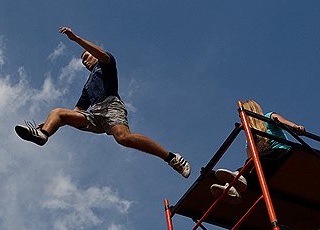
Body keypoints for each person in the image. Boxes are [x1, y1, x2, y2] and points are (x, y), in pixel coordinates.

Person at [14, 27, 191, 178]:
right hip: (94, 116)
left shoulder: (106, 64)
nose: (84, 62)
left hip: (111, 106)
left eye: (86, 57)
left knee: (123, 138)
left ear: (95, 55)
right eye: (82, 61)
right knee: (58, 112)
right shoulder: (87, 86)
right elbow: (76, 111)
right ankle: (42, 134)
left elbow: (101, 54)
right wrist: (51, 123)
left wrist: (76, 39)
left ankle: (171, 158)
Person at [211, 99, 305, 202]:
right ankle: (231, 187)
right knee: (250, 166)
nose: (242, 119)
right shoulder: (250, 138)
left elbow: (285, 123)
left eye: (242, 115)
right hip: (268, 165)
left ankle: (236, 178)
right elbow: (251, 161)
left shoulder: (268, 117)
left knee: (258, 159)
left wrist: (296, 127)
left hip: (282, 153)